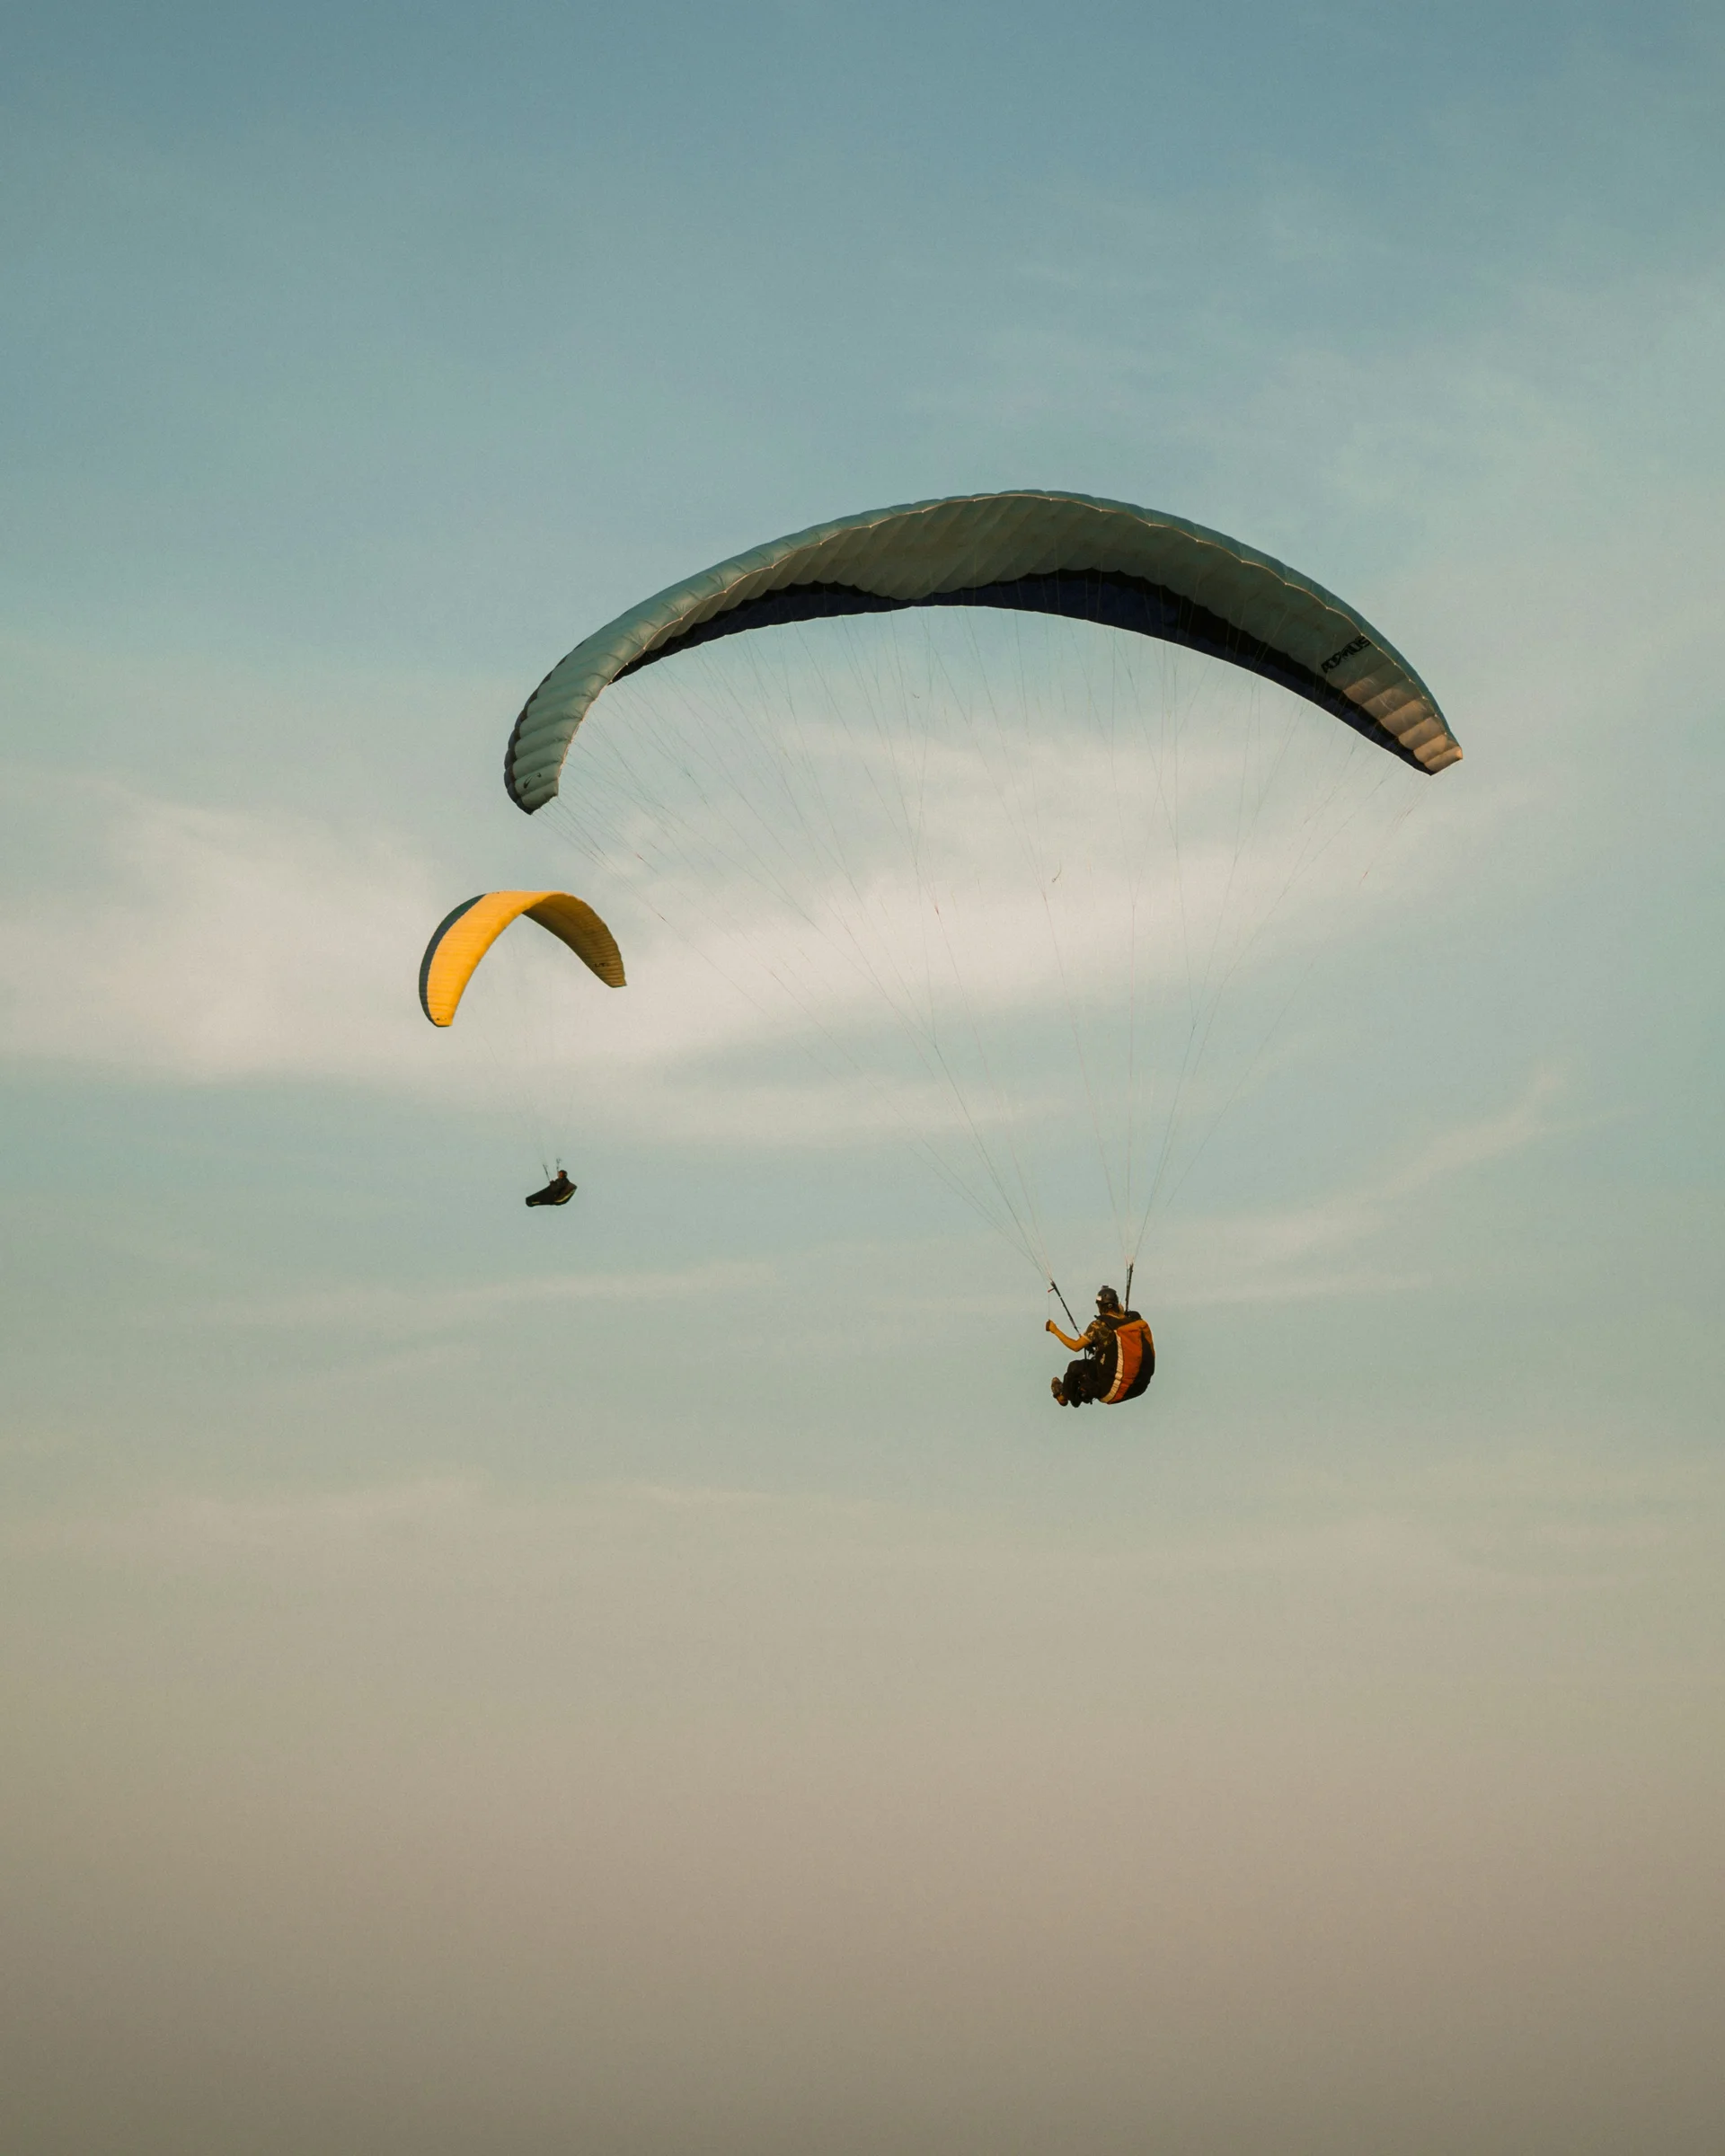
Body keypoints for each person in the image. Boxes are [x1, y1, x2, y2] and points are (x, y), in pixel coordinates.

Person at [1047, 1286, 1154, 1406]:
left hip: (1114, 1390)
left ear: (1101, 1307)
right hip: (1139, 1386)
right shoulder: (1133, 1320)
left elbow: (1075, 1346)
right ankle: (1078, 1394)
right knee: (1093, 1364)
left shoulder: (1099, 1326)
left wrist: (1055, 1330)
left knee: (1075, 1368)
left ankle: (1065, 1396)